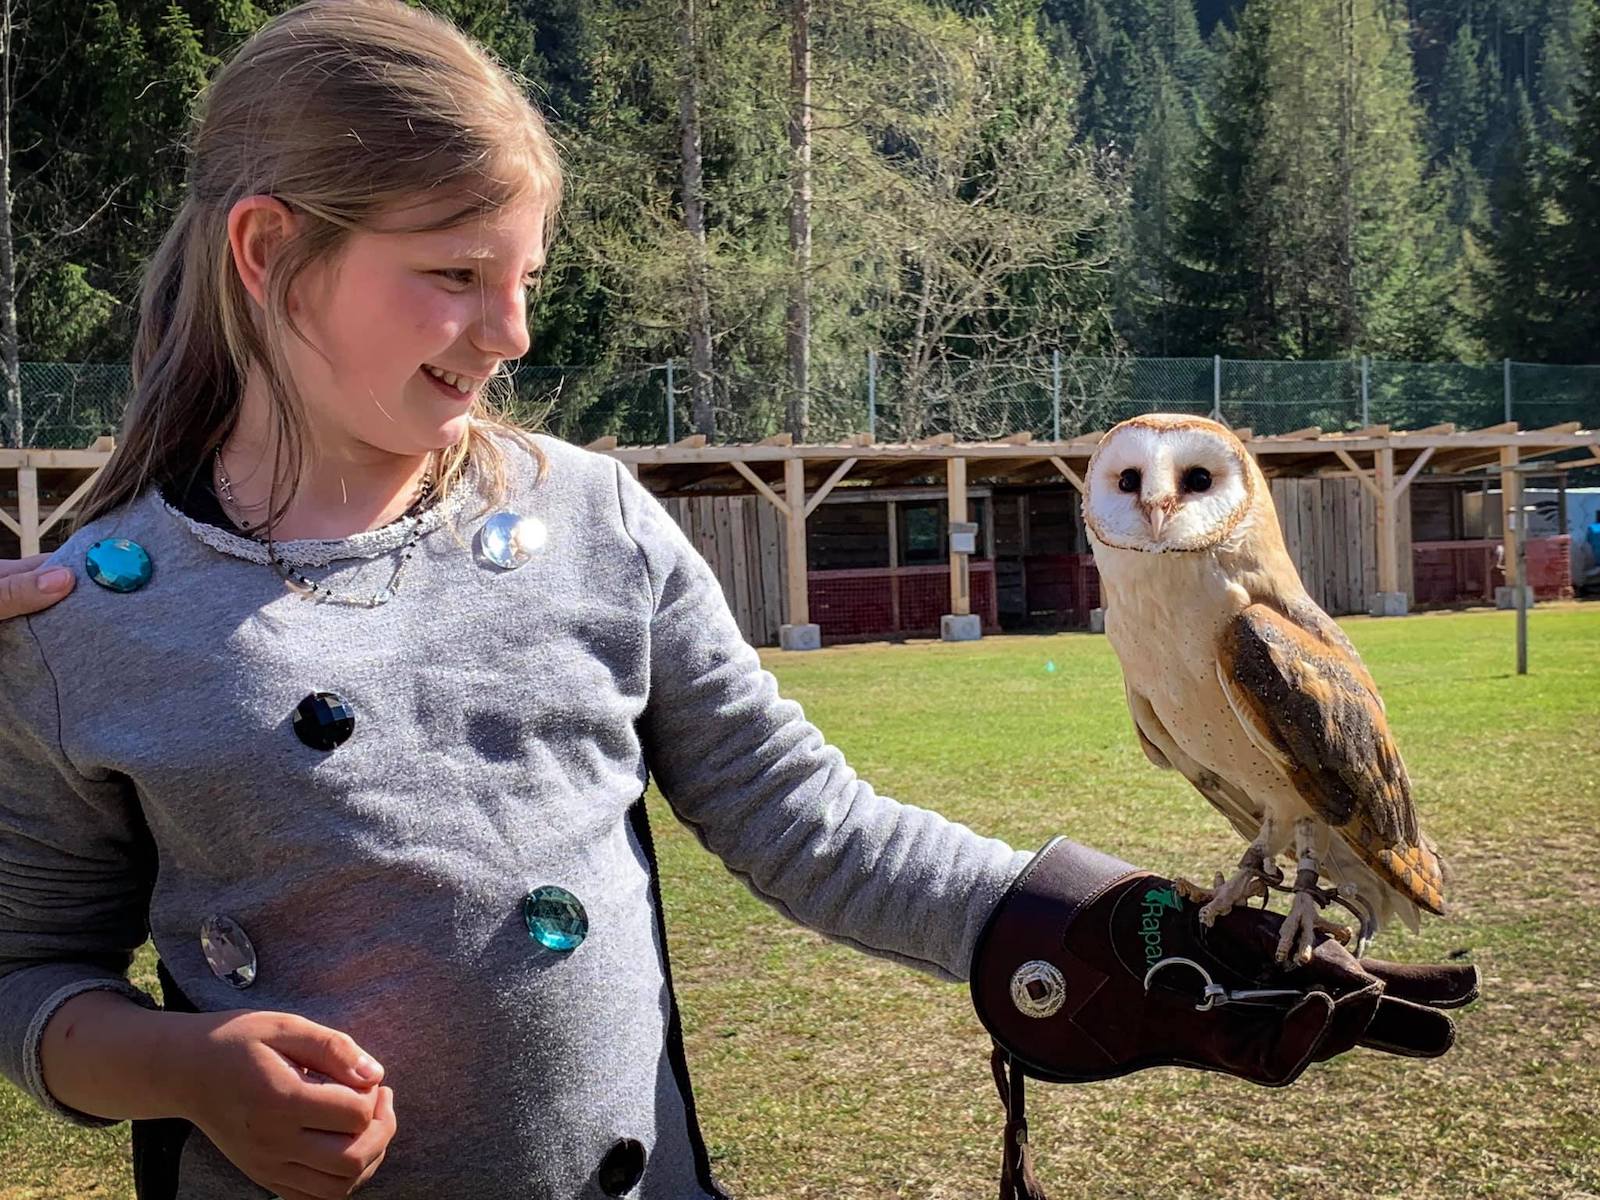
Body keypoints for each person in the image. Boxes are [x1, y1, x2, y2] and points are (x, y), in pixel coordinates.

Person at [0, 4, 1477, 1200]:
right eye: (454, 273)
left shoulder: (594, 524)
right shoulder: (82, 617)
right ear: (270, 256)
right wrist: (182, 1071)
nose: (510, 334)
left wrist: (1088, 930)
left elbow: (805, 825)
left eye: (526, 278)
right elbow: (26, 977)